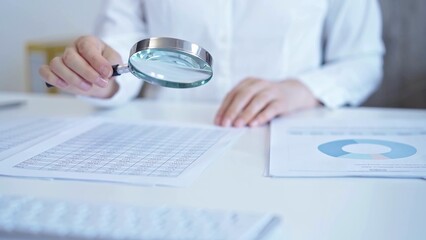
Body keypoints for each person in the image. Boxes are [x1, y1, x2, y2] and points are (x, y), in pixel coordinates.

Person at [39, 0, 384, 128]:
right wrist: (100, 76)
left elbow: (363, 59)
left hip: (286, 134)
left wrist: (302, 90)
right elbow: (124, 44)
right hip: (164, 138)